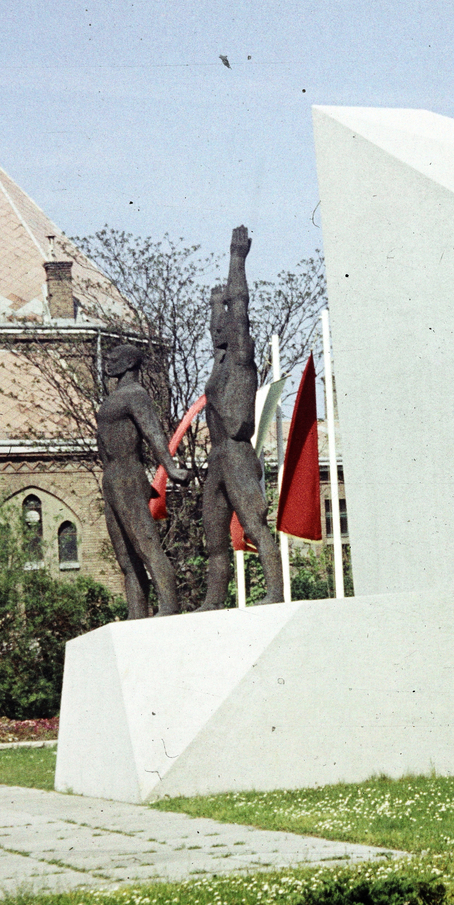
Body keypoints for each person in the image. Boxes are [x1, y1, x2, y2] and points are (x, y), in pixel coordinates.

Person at [199, 225, 284, 609]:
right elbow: (225, 313)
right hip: (217, 457)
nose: (218, 327)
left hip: (236, 453)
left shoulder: (240, 359)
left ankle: (275, 591)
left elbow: (241, 308)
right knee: (213, 537)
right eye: (214, 323)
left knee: (254, 525)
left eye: (223, 323)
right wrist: (216, 303)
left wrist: (237, 259)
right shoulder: (217, 366)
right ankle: (214, 601)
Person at [96, 343, 189, 619]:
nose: (107, 362)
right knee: (126, 557)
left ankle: (169, 608)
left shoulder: (136, 395)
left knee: (147, 546)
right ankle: (136, 616)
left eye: (113, 358)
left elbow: (153, 433)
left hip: (127, 474)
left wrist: (170, 468)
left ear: (128, 364)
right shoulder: (116, 396)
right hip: (112, 478)